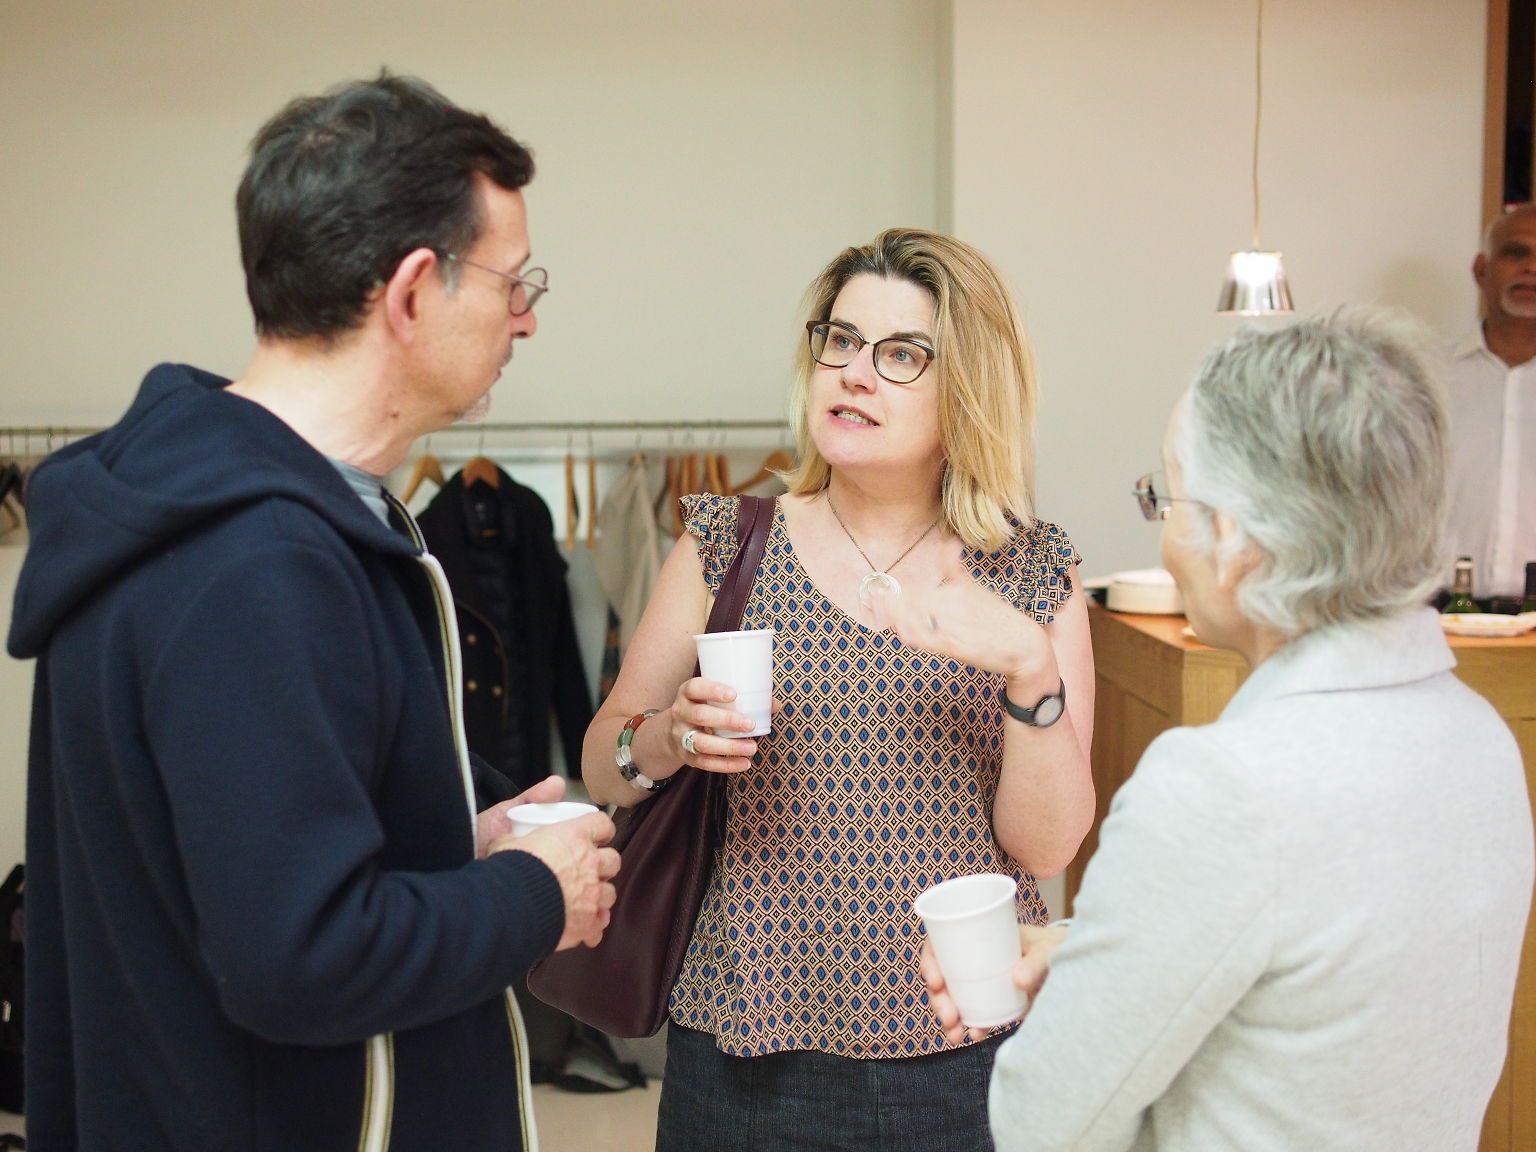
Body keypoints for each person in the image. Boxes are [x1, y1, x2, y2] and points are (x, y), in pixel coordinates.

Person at [6, 74, 620, 1152]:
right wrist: (536, 892)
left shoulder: (230, 513)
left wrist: (453, 834)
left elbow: (252, 861)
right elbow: (303, 961)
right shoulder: (255, 565)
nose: (526, 317)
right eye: (513, 282)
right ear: (414, 291)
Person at [924, 314, 1536, 1151]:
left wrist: (1076, 1004)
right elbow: (1327, 983)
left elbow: (1044, 1125)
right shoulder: (1480, 737)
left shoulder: (1221, 789)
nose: (1164, 533)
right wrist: (1095, 953)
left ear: (1236, 537)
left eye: (1166, 498)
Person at [582, 227, 1096, 1150]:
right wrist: (668, 736)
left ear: (968, 388)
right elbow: (602, 764)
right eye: (843, 340)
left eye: (901, 354)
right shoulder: (725, 543)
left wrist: (1031, 668)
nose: (855, 372)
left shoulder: (1030, 570)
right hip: (746, 1042)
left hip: (970, 1042)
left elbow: (1047, 847)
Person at [1442, 203, 1536, 604]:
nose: (1531, 268)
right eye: (1516, 253)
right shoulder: (1426, 377)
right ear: (1482, 271)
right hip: (1441, 613)